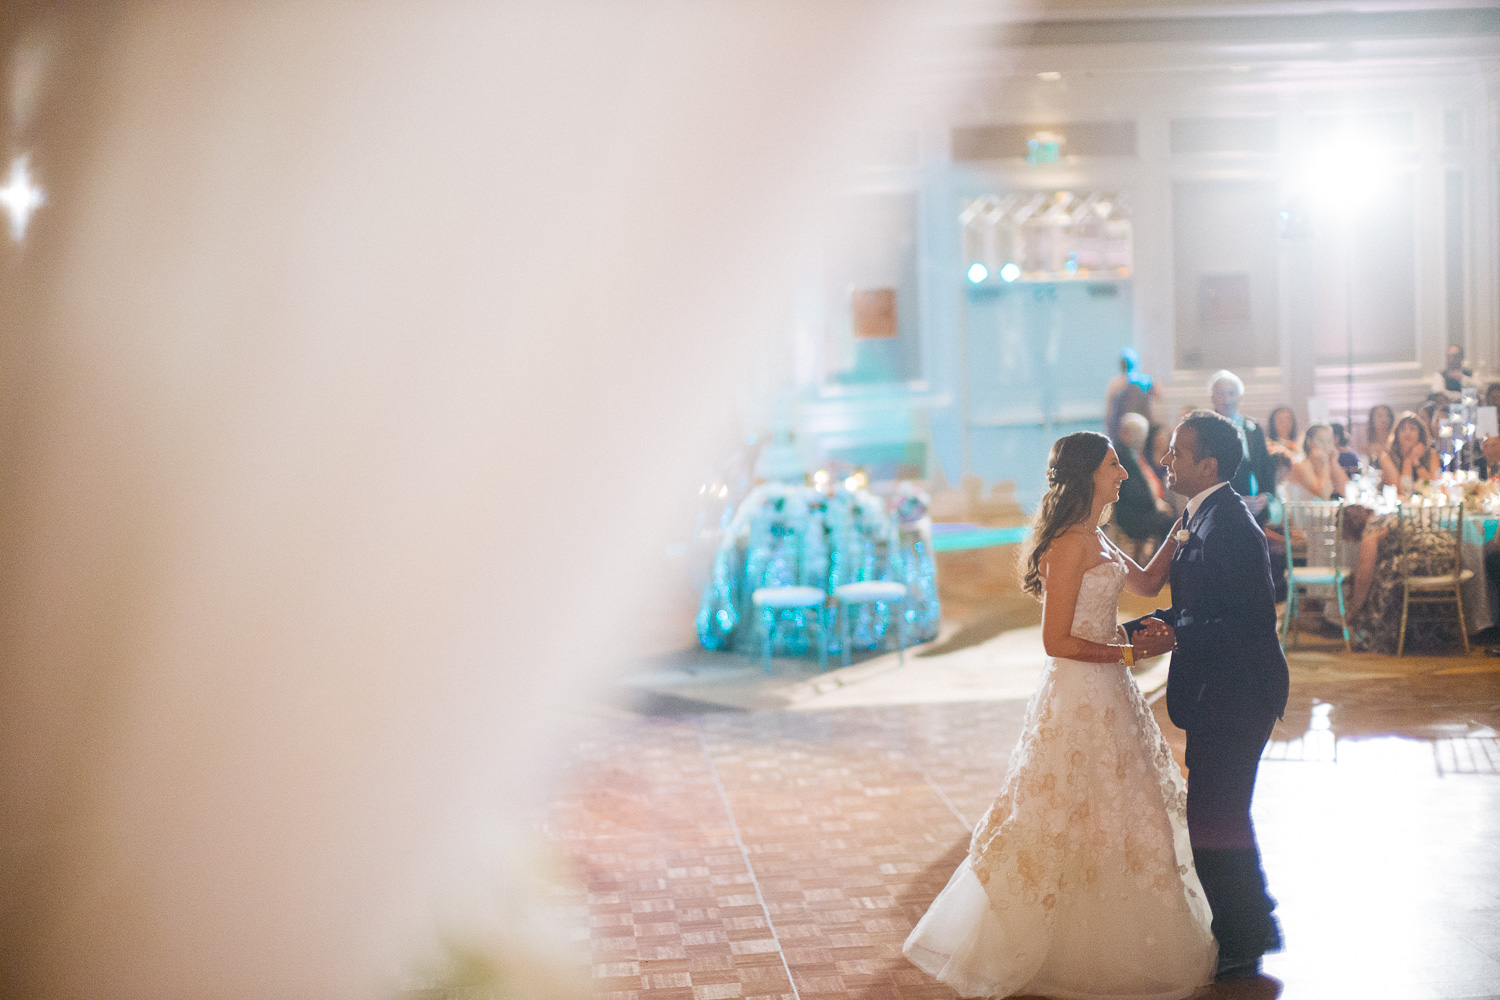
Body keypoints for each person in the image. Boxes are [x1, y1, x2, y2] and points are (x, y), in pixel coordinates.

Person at [904, 432, 1215, 1000]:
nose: (1123, 473)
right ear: (1089, 475)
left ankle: (1112, 936)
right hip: (1079, 693)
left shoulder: (1096, 534)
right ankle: (1047, 944)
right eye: (1114, 464)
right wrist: (1130, 651)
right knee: (1066, 812)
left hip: (1112, 690)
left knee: (1124, 810)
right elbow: (1057, 642)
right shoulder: (1071, 545)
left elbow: (1144, 583)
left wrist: (1183, 527)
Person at [1126, 410, 1289, 981]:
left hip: (1240, 690)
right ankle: (1255, 924)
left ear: (1209, 465)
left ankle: (1243, 939)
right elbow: (1198, 605)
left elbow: (1242, 620)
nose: (1166, 461)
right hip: (1219, 688)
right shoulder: (1203, 517)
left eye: (1177, 452)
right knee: (1219, 814)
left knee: (1213, 816)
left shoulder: (1232, 526)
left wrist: (1173, 633)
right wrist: (1146, 627)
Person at [1208, 370, 1274, 513]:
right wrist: (1234, 501)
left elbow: (1265, 466)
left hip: (1256, 509)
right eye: (1222, 394)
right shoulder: (1205, 430)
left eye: (1231, 394)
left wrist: (1266, 496)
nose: (1227, 400)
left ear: (1240, 397)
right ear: (1213, 398)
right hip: (1221, 510)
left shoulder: (1253, 428)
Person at [1113, 412, 1176, 551]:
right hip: (1131, 515)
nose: (1143, 440)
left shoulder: (1131, 454)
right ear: (1127, 433)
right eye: (1140, 435)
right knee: (1171, 523)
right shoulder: (1122, 456)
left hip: (1137, 510)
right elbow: (1132, 491)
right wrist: (1155, 505)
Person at [1106, 346, 1156, 444]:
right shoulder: (1145, 381)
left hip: (1137, 428)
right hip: (1122, 431)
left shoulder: (1115, 385)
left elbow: (1109, 413)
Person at [1286, 423, 1349, 502]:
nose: (1325, 446)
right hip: (1305, 513)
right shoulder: (1299, 466)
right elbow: (1324, 495)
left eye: (1329, 441)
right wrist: (1325, 464)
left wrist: (1334, 462)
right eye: (1321, 441)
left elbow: (1344, 492)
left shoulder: (1330, 464)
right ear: (1309, 442)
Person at [1379, 411, 1441, 490]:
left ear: (1420, 433)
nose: (1407, 433)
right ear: (1397, 434)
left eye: (1412, 429)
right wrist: (1408, 458)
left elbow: (1434, 486)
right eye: (1403, 429)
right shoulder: (1387, 456)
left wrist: (1416, 462)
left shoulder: (1431, 454)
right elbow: (1402, 489)